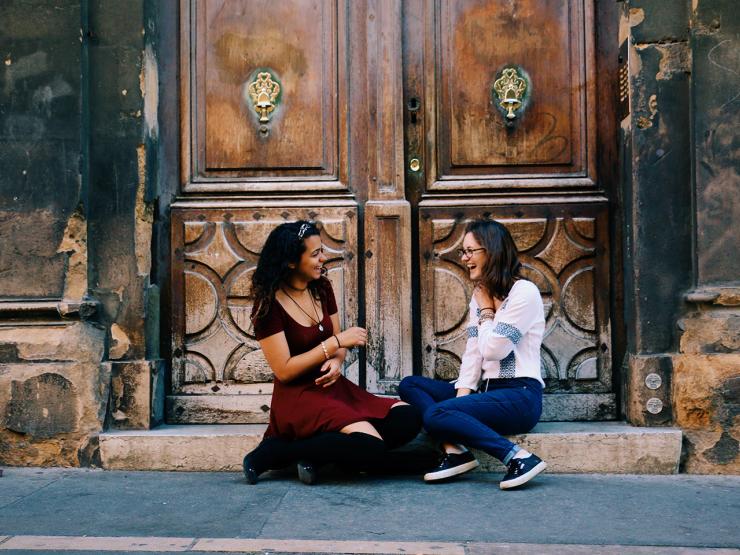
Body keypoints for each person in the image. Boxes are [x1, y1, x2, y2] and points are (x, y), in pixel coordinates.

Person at [242, 220, 421, 484]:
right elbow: (284, 370)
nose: (323, 258)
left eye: (321, 251)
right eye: (315, 254)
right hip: (299, 396)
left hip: (332, 388)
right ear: (291, 262)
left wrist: (337, 361)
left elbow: (338, 347)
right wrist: (335, 344)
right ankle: (278, 451)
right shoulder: (269, 306)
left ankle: (314, 456)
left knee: (408, 417)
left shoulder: (321, 288)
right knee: (369, 446)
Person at [399, 219, 548, 490]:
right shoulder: (481, 294)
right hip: (485, 393)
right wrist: (458, 407)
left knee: (434, 413)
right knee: (411, 385)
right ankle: (456, 451)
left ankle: (518, 457)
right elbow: (473, 355)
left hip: (519, 396)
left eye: (470, 251)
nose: (465, 258)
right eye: (463, 252)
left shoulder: (524, 293)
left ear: (491, 252)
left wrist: (486, 311)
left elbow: (494, 350)